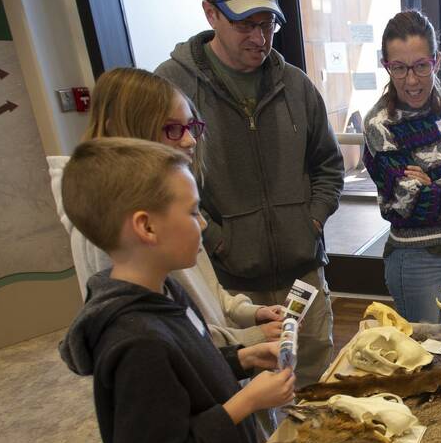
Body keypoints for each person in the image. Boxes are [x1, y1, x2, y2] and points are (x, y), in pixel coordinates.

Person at [58, 137, 295, 443]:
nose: (202, 223)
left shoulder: (165, 291)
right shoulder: (137, 343)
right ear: (146, 227)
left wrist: (242, 358)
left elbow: (186, 369)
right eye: (193, 211)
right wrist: (245, 403)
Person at [155, 0, 343, 381]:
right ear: (211, 13)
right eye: (245, 25)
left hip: (303, 270)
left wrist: (311, 219)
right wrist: (218, 240)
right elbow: (162, 183)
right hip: (230, 282)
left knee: (312, 378)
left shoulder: (297, 85)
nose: (260, 38)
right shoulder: (171, 87)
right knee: (249, 386)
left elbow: (329, 165)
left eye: (268, 25)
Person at [48, 67, 287, 349]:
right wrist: (250, 340)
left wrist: (250, 313)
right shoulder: (111, 229)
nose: (190, 140)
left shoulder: (166, 201)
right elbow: (159, 336)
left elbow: (203, 291)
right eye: (173, 129)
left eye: (190, 127)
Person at [362, 9, 441, 323]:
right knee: (425, 353)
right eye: (399, 68)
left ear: (436, 59)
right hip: (414, 258)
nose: (411, 80)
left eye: (421, 65)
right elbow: (419, 204)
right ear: (386, 66)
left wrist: (434, 180)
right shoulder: (380, 124)